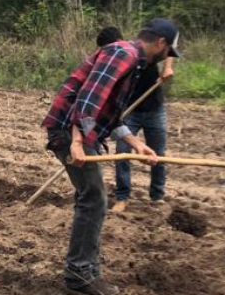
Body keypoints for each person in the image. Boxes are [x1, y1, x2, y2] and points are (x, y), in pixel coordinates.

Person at [40, 18, 179, 295]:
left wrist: (135, 143)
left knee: (93, 196)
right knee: (93, 197)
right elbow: (88, 99)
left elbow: (110, 113)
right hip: (70, 130)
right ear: (161, 44)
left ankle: (85, 270)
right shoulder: (123, 54)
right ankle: (79, 273)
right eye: (169, 52)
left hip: (75, 129)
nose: (168, 58)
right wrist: (77, 142)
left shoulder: (133, 62)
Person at [112, 22, 179, 213]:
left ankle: (157, 197)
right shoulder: (129, 57)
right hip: (129, 111)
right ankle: (122, 196)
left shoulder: (152, 53)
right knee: (122, 152)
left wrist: (167, 67)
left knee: (157, 153)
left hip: (154, 109)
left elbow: (173, 42)